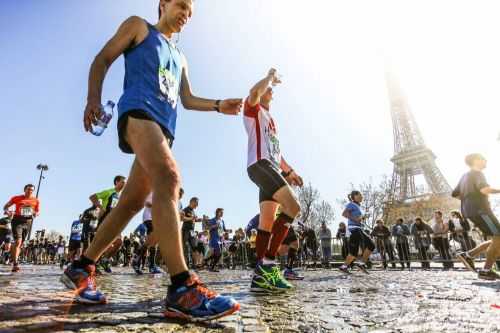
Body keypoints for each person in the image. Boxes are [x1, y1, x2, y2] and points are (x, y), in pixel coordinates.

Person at [61, 0, 241, 320]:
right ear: (163, 4)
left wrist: (217, 105)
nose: (186, 14)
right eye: (182, 5)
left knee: (131, 202)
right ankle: (182, 287)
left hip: (163, 129)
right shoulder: (139, 27)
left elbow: (186, 99)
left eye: (191, 11)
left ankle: (81, 266)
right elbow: (102, 59)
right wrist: (93, 98)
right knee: (170, 178)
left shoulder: (181, 57)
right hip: (138, 112)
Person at [244, 68, 304, 293]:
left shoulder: (272, 120)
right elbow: (253, 91)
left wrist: (290, 172)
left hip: (270, 166)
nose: (270, 90)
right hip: (259, 165)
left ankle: (259, 279)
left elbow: (277, 154)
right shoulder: (253, 110)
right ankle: (268, 265)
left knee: (266, 223)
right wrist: (269, 77)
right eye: (266, 89)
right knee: (294, 207)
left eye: (271, 89)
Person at [452, 153, 500, 280]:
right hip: (481, 211)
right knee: (498, 236)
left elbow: (455, 194)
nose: (486, 160)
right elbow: (484, 190)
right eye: (484, 159)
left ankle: (469, 255)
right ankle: (485, 269)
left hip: (470, 211)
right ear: (476, 160)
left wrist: (468, 201)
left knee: (497, 238)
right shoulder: (477, 173)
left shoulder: (464, 176)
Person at [3, 184, 40, 272]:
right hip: (17, 220)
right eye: (28, 189)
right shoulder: (16, 198)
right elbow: (5, 207)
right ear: (24, 190)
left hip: (28, 222)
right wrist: (7, 212)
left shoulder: (36, 200)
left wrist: (35, 214)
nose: (30, 191)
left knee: (20, 244)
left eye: (31, 190)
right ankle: (15, 264)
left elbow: (37, 211)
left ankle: (12, 255)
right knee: (18, 241)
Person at [339, 191, 375, 274]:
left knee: (354, 253)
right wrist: (355, 219)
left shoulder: (358, 206)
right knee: (370, 245)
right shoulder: (351, 204)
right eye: (360, 195)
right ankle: (361, 263)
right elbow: (344, 214)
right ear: (355, 196)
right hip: (354, 229)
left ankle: (344, 267)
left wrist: (363, 217)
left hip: (358, 229)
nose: (362, 196)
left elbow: (358, 218)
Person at [181, 197, 204, 268]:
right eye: (196, 203)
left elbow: (193, 220)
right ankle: (185, 264)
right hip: (186, 231)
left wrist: (199, 220)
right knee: (185, 248)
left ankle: (195, 264)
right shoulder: (185, 209)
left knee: (195, 247)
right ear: (192, 202)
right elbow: (182, 218)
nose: (197, 205)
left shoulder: (193, 211)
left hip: (192, 231)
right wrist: (192, 218)